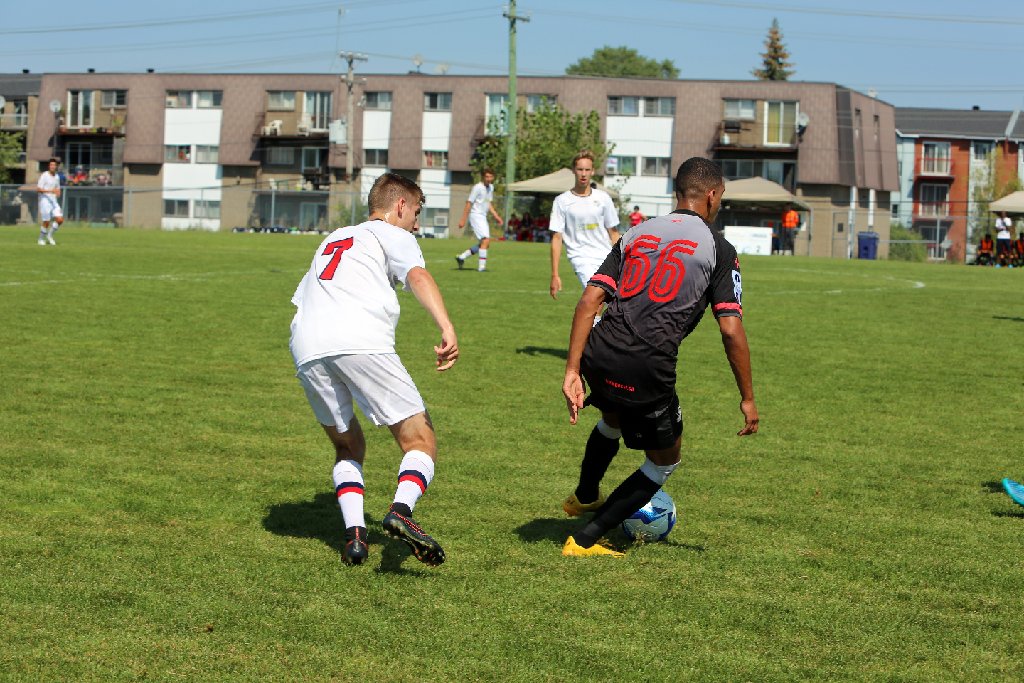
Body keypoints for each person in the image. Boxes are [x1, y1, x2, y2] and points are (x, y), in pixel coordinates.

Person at [559, 157, 759, 557]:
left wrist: (572, 369)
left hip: (599, 350)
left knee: (613, 418)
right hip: (646, 364)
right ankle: (583, 540)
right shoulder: (719, 249)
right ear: (712, 195)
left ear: (677, 192)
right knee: (664, 461)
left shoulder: (637, 233)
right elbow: (730, 329)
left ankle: (585, 496)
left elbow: (588, 301)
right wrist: (748, 398)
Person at [289, 172, 459, 567]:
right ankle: (401, 512)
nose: (416, 224)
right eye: (416, 213)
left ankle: (355, 538)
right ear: (400, 206)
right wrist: (447, 326)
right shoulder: (392, 233)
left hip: (307, 345)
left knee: (348, 446)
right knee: (420, 440)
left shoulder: (334, 237)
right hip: (359, 339)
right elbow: (417, 275)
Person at [549, 150, 620, 299]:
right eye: (580, 169)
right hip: (581, 258)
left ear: (592, 171)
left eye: (587, 170)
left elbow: (613, 233)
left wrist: (623, 260)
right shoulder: (562, 201)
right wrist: (555, 274)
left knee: (612, 301)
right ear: (574, 171)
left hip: (606, 256)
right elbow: (557, 237)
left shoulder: (603, 198)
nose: (583, 174)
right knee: (595, 297)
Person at [455, 168, 503, 271]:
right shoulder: (477, 187)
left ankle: (461, 257)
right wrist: (463, 219)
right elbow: (469, 203)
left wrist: (496, 216)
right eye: (487, 176)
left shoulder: (491, 187)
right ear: (483, 177)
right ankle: (482, 268)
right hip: (476, 215)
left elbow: (488, 203)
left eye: (491, 176)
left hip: (483, 216)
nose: (489, 179)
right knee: (485, 241)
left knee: (485, 243)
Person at [36, 158, 64, 246]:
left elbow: (57, 188)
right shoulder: (44, 175)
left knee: (60, 219)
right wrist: (50, 191)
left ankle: (49, 235)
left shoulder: (57, 177)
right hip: (44, 200)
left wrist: (58, 192)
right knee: (46, 221)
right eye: (51, 165)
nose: (52, 166)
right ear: (49, 166)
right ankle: (40, 239)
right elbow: (38, 189)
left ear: (56, 166)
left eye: (54, 165)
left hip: (53, 201)